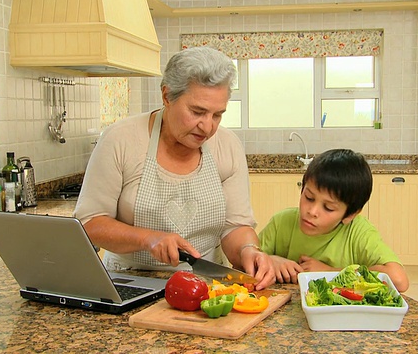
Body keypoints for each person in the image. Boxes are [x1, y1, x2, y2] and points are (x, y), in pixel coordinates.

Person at [74, 47, 275, 290]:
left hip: (209, 284)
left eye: (217, 115)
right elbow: (90, 223)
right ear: (167, 96)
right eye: (197, 112)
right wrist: (148, 239)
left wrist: (248, 250)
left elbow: (236, 226)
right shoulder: (120, 140)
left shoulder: (228, 146)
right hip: (130, 281)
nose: (207, 126)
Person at [258, 149, 409, 292]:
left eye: (328, 208)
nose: (312, 211)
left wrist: (330, 272)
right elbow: (241, 265)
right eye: (309, 197)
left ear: (350, 215)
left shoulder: (358, 232)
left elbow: (399, 280)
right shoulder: (281, 222)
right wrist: (270, 260)